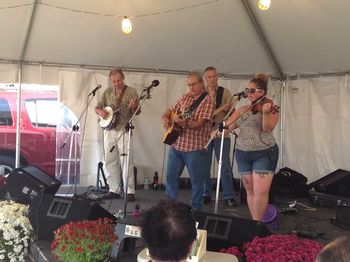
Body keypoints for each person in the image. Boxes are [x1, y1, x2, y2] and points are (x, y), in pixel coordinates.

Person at [223, 73, 279, 221]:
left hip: (264, 152)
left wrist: (266, 113)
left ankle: (257, 223)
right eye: (247, 90)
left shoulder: (271, 107)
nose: (248, 93)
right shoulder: (242, 109)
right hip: (243, 154)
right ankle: (255, 221)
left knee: (260, 191)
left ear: (261, 92)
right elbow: (227, 126)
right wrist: (216, 131)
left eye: (252, 90)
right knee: (249, 191)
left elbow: (268, 128)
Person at [161, 72, 214, 210]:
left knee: (197, 182)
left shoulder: (207, 101)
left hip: (195, 148)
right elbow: (170, 110)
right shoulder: (184, 97)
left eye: (194, 84)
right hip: (177, 145)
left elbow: (199, 123)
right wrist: (166, 118)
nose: (191, 87)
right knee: (171, 177)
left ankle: (197, 210)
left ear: (201, 83)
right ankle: (170, 208)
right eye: (189, 85)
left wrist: (185, 124)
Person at [95, 68, 139, 201]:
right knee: (110, 159)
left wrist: (133, 107)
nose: (116, 83)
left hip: (124, 129)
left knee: (126, 160)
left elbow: (137, 111)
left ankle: (129, 190)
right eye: (113, 81)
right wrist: (101, 112)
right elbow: (97, 107)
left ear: (123, 78)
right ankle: (114, 189)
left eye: (118, 80)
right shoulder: (107, 92)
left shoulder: (131, 91)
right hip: (109, 129)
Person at [203, 66, 237, 207]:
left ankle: (229, 195)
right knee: (205, 165)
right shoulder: (201, 93)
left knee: (224, 165)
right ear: (205, 78)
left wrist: (229, 109)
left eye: (214, 76)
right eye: (209, 76)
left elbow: (234, 113)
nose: (212, 79)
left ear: (217, 77)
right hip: (204, 133)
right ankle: (206, 193)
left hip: (221, 132)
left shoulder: (225, 92)